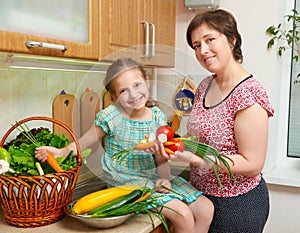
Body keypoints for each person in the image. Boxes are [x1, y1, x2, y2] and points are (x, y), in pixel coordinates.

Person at [35, 58, 214, 233]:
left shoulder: (157, 116)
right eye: (123, 91)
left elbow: (161, 157)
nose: (133, 94)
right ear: (114, 97)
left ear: (147, 82)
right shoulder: (112, 116)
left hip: (152, 178)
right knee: (181, 214)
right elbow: (83, 142)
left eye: (137, 85)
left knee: (206, 210)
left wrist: (165, 179)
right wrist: (62, 151)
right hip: (125, 183)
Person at [156, 9, 274, 233]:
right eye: (196, 45)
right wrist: (176, 145)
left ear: (231, 40)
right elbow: (204, 137)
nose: (203, 50)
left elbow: (252, 163)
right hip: (201, 198)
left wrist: (198, 160)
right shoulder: (205, 85)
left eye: (210, 39)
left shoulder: (248, 93)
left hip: (237, 205)